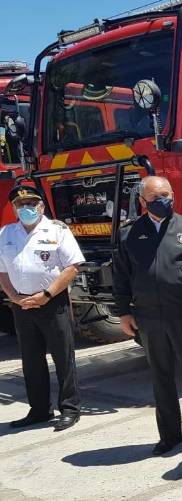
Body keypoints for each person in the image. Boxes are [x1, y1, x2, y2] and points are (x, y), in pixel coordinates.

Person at [112, 175, 182, 456]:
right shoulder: (128, 233)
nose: (163, 201)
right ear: (143, 201)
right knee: (161, 377)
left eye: (166, 195)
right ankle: (169, 435)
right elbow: (121, 276)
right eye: (156, 197)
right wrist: (123, 312)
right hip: (148, 318)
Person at [0, 184, 84, 431]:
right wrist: (14, 296)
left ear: (41, 206)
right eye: (20, 205)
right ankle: (39, 410)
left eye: (31, 204)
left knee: (63, 358)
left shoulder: (57, 230)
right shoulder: (6, 234)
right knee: (31, 360)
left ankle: (70, 409)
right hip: (22, 304)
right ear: (14, 209)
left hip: (52, 302)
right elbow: (2, 271)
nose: (26, 208)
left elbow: (72, 267)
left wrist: (46, 294)